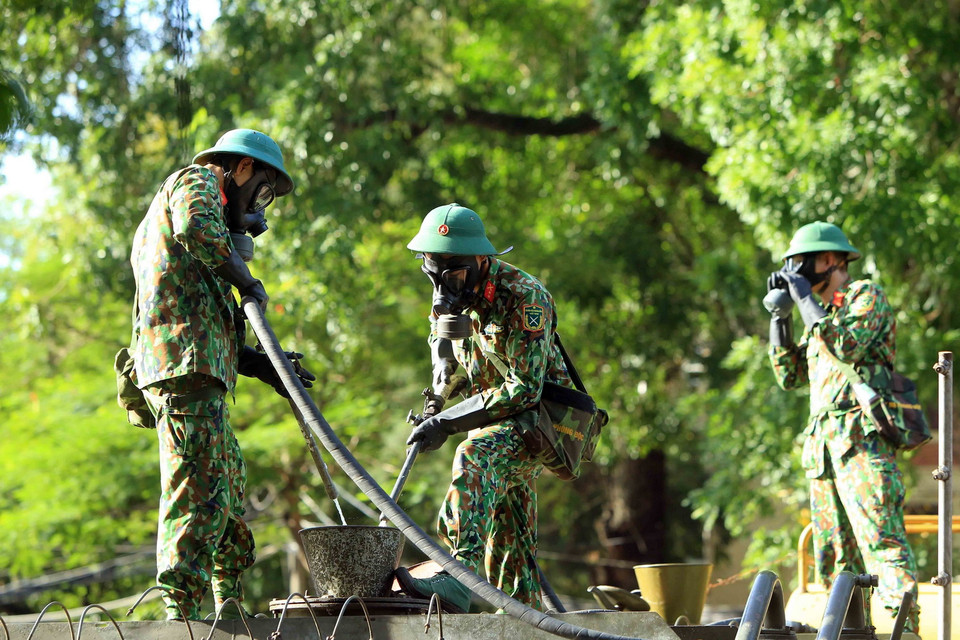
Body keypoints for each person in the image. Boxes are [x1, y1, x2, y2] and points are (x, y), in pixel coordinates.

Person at [130, 128, 314, 620]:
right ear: (243, 168)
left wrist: (266, 365)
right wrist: (247, 281)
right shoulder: (197, 182)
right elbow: (196, 228)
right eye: (262, 193)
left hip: (201, 368)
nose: (259, 207)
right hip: (183, 368)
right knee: (197, 489)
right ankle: (182, 615)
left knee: (226, 485)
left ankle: (227, 604)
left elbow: (214, 320)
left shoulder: (206, 243)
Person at [395, 203, 574, 613]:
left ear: (480, 260)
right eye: (433, 272)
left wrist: (448, 422)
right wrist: (442, 371)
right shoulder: (452, 293)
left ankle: (456, 575)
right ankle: (524, 619)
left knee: (474, 455)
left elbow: (525, 389)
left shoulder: (524, 297)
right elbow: (440, 337)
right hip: (492, 422)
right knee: (510, 545)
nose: (443, 285)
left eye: (453, 274)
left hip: (538, 423)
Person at [764, 221, 919, 632]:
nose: (795, 272)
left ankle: (904, 632)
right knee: (836, 561)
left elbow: (846, 345)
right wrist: (781, 318)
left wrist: (803, 297)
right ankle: (850, 634)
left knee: (883, 546)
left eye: (802, 262)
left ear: (830, 260)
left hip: (862, 446)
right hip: (825, 454)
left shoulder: (865, 296)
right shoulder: (821, 316)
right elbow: (790, 375)